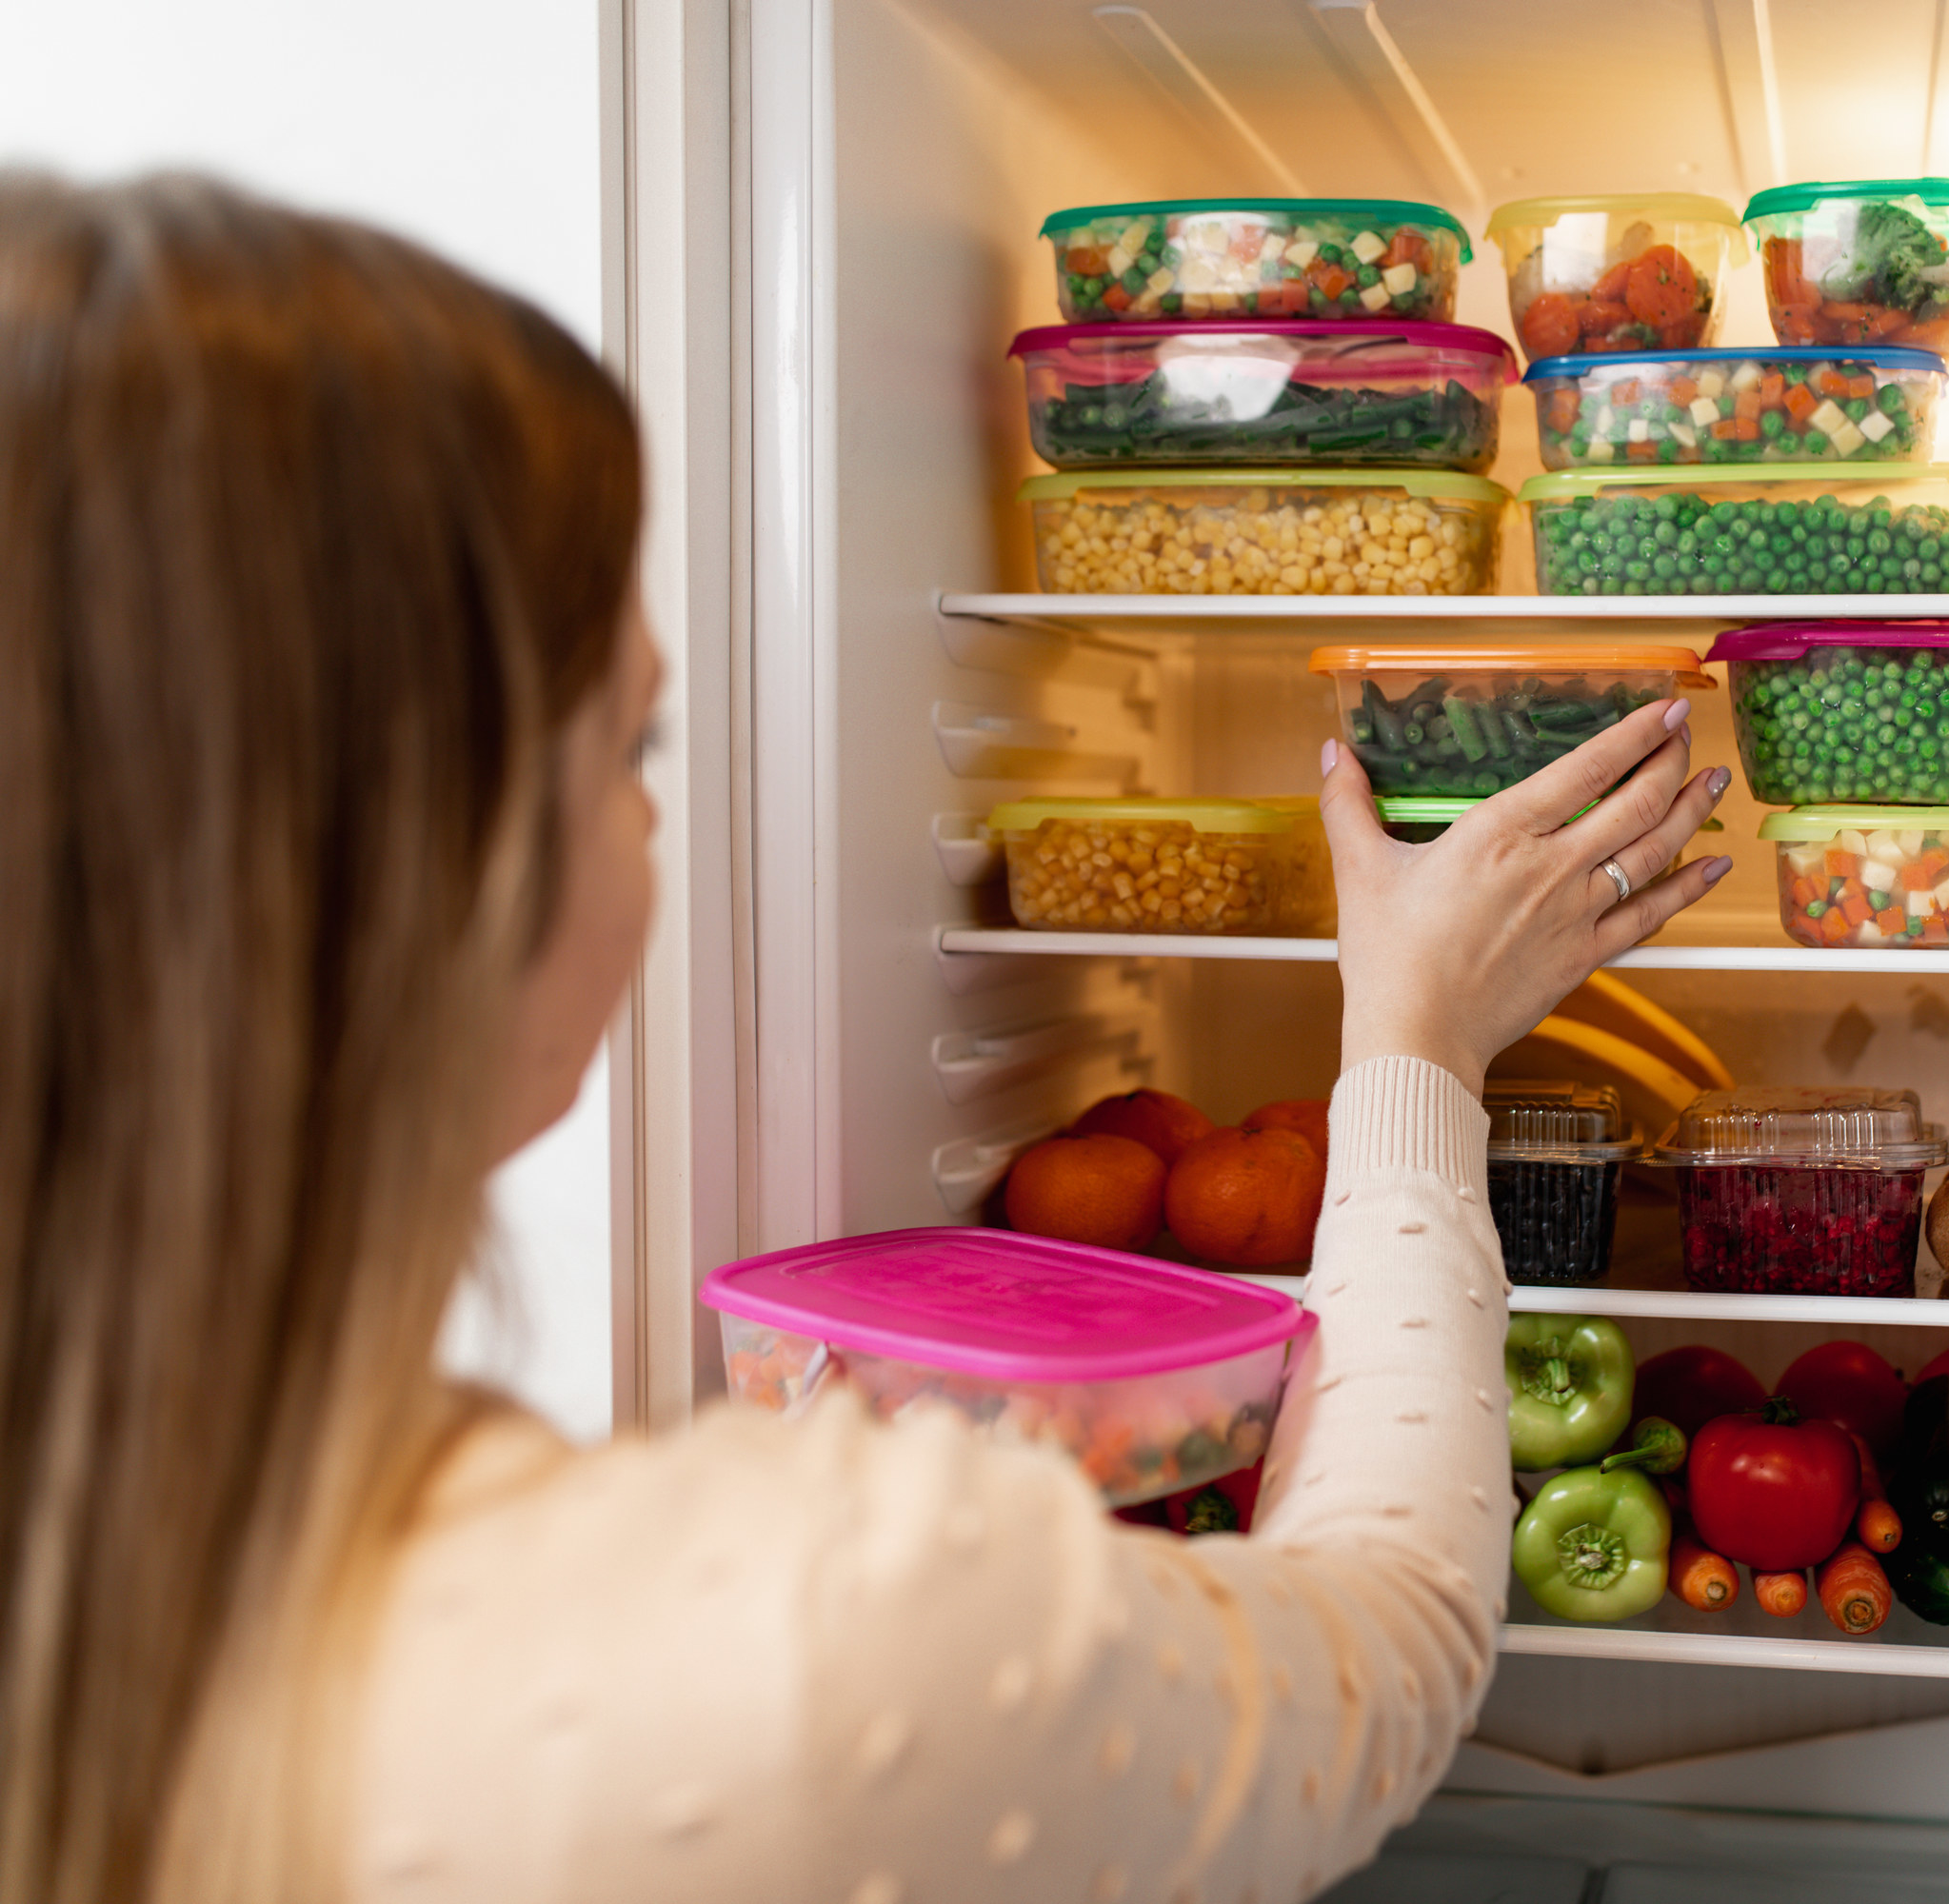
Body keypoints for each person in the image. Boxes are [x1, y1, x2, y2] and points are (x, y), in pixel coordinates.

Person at [0, 173, 1732, 1904]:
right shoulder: (804, 1640)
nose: (653, 818)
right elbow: (1385, 1642)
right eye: (632, 746)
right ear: (415, 873)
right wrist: (1416, 1046)